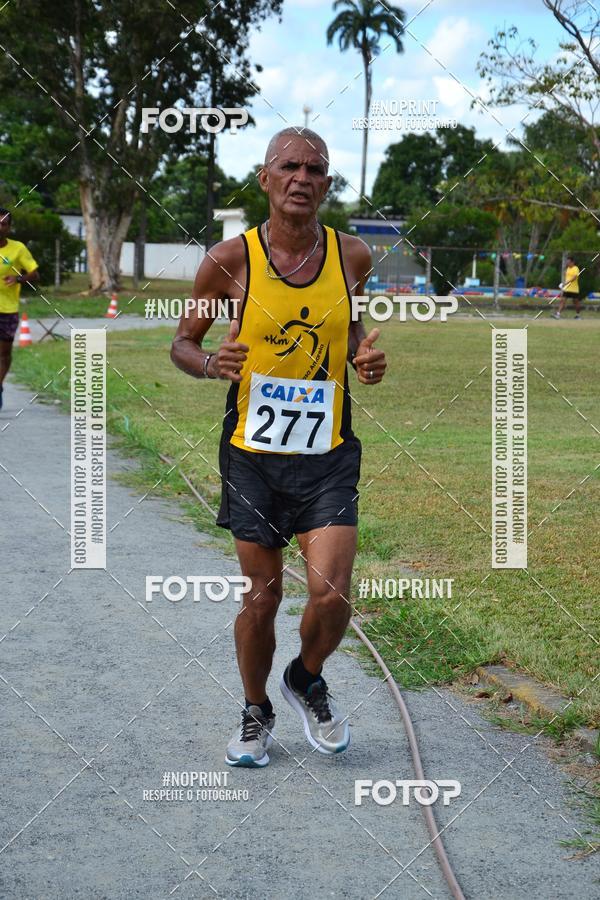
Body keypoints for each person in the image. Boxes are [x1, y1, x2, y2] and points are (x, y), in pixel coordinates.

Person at [171, 127, 387, 767]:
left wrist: (364, 359)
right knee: (262, 596)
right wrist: (211, 364)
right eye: (288, 166)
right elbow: (182, 343)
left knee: (333, 590)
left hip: (328, 451)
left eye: (315, 169)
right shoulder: (229, 259)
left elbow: (348, 336)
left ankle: (306, 677)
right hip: (252, 455)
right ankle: (256, 708)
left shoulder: (353, 257)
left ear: (327, 184)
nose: (302, 177)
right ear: (265, 179)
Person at [0, 208, 39, 410]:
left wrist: (18, 278)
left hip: (7, 309)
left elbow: (34, 274)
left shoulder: (18, 249)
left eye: (3, 223)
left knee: (4, 353)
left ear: (9, 227)